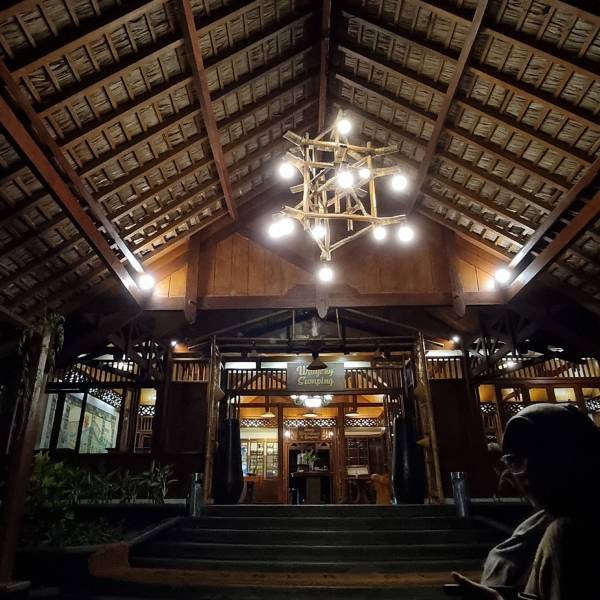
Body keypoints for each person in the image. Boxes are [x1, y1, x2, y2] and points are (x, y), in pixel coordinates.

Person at [452, 403, 600, 599]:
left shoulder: (566, 534)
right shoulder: (538, 527)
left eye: (543, 456)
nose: (528, 473)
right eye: (516, 460)